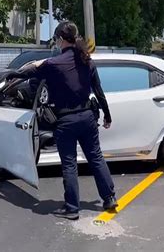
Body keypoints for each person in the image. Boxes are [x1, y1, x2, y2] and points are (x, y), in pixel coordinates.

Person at [9, 21, 117, 220]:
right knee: (96, 157)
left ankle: (72, 209)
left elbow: (26, 74)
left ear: (60, 39)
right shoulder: (87, 61)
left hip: (65, 121)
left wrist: (11, 75)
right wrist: (107, 116)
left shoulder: (53, 64)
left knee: (69, 164)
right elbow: (99, 92)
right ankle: (109, 198)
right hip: (87, 118)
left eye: (56, 39)